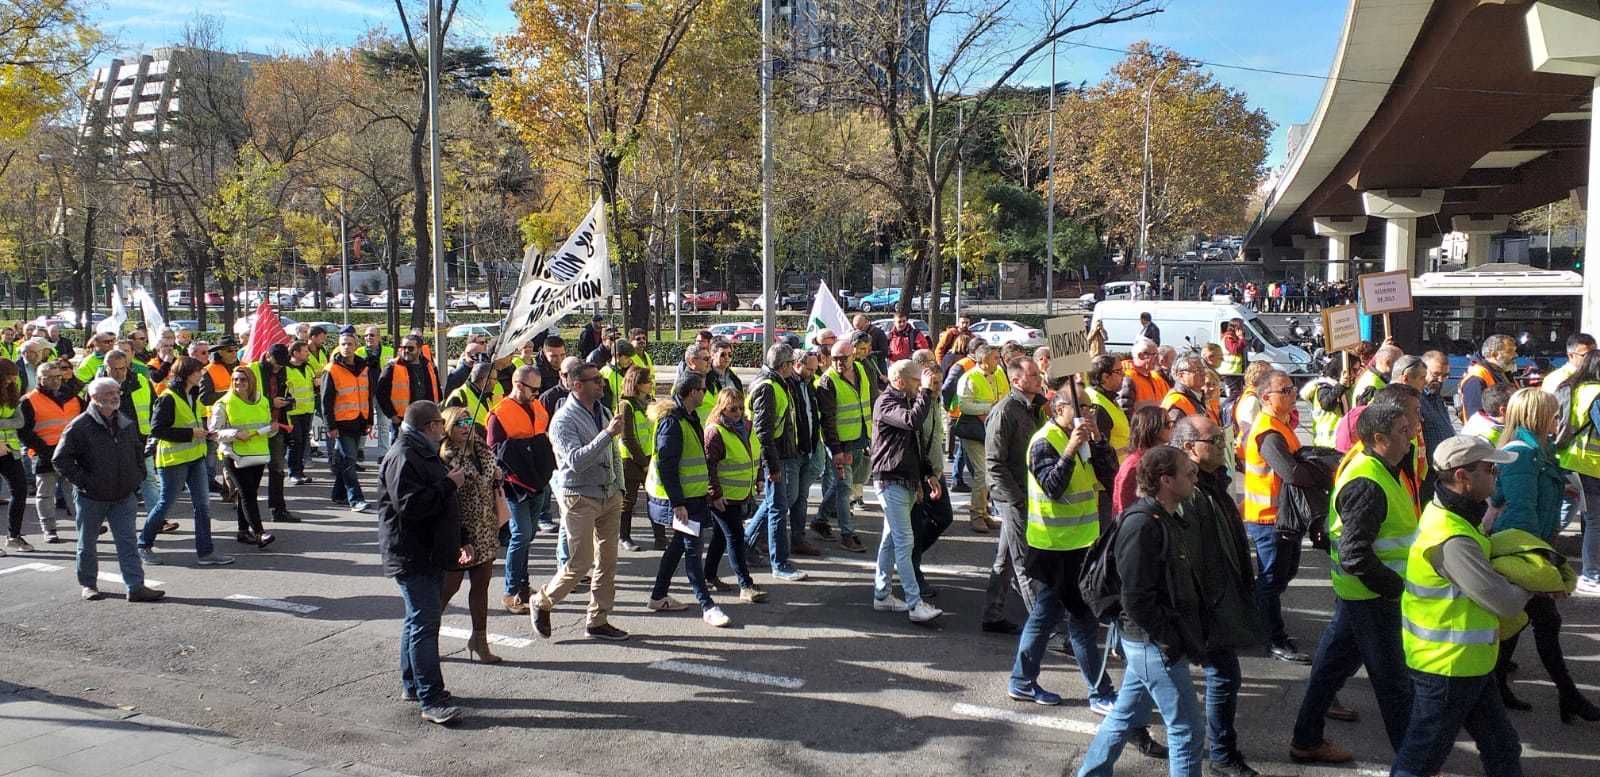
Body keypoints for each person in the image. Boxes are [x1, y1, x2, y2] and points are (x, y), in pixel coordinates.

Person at [1289, 385, 1422, 764]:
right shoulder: (1368, 480)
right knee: (1394, 683)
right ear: (1379, 437)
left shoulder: (1379, 464)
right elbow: (1355, 554)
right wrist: (1397, 588)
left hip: (1359, 595)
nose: (1412, 432)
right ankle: (1415, 764)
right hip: (1373, 596)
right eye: (1403, 428)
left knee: (1330, 670)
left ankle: (1307, 740)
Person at [1391, 434, 1528, 777]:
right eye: (1490, 469)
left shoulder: (1455, 515)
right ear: (1463, 477)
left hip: (1467, 665)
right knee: (1420, 761)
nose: (1496, 475)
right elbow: (1506, 602)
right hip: (1449, 669)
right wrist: (1536, 581)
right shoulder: (1453, 537)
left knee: (1502, 747)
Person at [1076, 447, 1205, 776]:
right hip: (1150, 643)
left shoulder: (1164, 516)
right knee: (1187, 730)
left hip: (1148, 643)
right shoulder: (1142, 526)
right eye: (1188, 473)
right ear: (1166, 480)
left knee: (1124, 715)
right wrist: (1168, 640)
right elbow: (1136, 599)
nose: (1195, 478)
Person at [1491, 388, 1600, 720]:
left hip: (1527, 548)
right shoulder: (1523, 453)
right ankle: (1569, 697)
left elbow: (1505, 498)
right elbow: (1521, 511)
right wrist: (1542, 563)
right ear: (1537, 417)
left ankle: (1498, 688)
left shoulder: (1538, 450)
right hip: (1524, 552)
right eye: (1554, 414)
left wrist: (1557, 488)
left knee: (1520, 621)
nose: (1559, 419)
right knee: (1543, 623)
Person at [1007, 387, 1117, 710]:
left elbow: (1109, 474)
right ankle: (1100, 692)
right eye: (1081, 406)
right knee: (1082, 621)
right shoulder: (1045, 441)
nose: (1088, 412)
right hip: (1054, 549)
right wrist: (1070, 449)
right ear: (1059, 409)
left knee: (1046, 615)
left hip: (1080, 544)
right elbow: (1053, 487)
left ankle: (1022, 680)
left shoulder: (1084, 437)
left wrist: (1097, 440)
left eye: (1090, 406)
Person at [1172, 415, 1264, 777]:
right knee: (1223, 675)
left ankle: (1128, 725)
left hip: (1220, 596)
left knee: (1146, 680)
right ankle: (1223, 756)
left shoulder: (1211, 483)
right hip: (1205, 604)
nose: (1222, 446)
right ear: (1188, 448)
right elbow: (1188, 557)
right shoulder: (1187, 492)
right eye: (1213, 440)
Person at [378, 400, 469, 725]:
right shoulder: (404, 455)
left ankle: (413, 685)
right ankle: (431, 698)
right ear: (429, 425)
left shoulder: (422, 451)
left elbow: (440, 502)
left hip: (427, 551)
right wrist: (449, 483)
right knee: (424, 625)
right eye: (438, 425)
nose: (442, 430)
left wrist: (462, 536)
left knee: (416, 621)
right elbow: (411, 505)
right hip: (412, 554)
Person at [529, 361, 630, 642]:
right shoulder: (562, 420)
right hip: (580, 497)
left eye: (600, 378)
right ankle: (542, 601)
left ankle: (598, 620)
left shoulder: (604, 410)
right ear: (577, 385)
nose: (601, 383)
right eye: (595, 380)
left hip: (609, 495)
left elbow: (613, 455)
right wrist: (607, 433)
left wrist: (619, 487)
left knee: (607, 563)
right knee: (580, 563)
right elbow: (575, 462)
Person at [1242, 369, 1325, 665]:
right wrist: (1322, 470)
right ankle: (1272, 638)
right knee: (1271, 578)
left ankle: (1255, 621)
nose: (1292, 394)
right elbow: (1291, 472)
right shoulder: (1268, 431)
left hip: (1282, 517)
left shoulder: (1280, 424)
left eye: (1292, 388)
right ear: (1266, 397)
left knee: (1281, 576)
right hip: (1269, 518)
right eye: (1285, 390)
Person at [57, 377, 163, 602]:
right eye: (109, 393)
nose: (115, 396)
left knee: (128, 542)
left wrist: (137, 476)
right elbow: (61, 460)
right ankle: (88, 585)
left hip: (123, 495)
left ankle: (135, 586)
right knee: (87, 544)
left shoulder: (125, 422)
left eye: (117, 392)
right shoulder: (79, 426)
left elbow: (137, 450)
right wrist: (85, 482)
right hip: (91, 496)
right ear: (94, 398)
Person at [644, 374, 733, 627]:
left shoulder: (687, 416)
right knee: (693, 549)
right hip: (680, 500)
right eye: (703, 390)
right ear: (692, 392)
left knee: (679, 547)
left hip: (690, 496)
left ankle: (658, 596)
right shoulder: (673, 422)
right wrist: (678, 503)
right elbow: (666, 465)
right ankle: (706, 605)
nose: (706, 394)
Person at [868, 358, 944, 623]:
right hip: (891, 480)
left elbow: (914, 445)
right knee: (904, 541)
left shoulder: (906, 401)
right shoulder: (887, 403)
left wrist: (927, 474)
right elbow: (912, 423)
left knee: (891, 540)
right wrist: (924, 391)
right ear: (899, 381)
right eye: (915, 381)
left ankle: (882, 595)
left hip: (905, 479)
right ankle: (915, 603)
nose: (919, 386)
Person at [137, 356, 231, 566]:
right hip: (173, 460)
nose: (202, 374)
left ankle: (206, 553)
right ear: (187, 373)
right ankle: (143, 544)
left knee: (203, 506)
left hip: (195, 457)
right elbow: (157, 429)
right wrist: (191, 433)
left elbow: (193, 423)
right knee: (165, 504)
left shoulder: (193, 394)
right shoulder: (168, 397)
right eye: (198, 371)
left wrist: (205, 433)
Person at [981, 357, 1048, 634]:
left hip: (1026, 492)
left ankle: (992, 614)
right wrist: (1016, 499)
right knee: (1024, 561)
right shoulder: (1005, 411)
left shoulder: (1035, 408)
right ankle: (1046, 629)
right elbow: (994, 463)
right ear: (1016, 379)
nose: (1038, 378)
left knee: (1007, 556)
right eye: (1033, 375)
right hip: (1013, 495)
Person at [437, 405, 503, 665]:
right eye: (458, 424)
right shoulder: (445, 456)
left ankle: (479, 640)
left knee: (482, 585)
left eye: (468, 422)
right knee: (448, 587)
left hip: (485, 527)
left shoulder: (482, 450)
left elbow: (489, 481)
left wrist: (498, 475)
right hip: (459, 529)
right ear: (447, 428)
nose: (465, 427)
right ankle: (425, 636)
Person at [488, 365, 554, 614]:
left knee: (527, 537)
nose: (537, 394)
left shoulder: (537, 406)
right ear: (518, 384)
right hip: (514, 485)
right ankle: (511, 591)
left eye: (539, 389)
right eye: (533, 389)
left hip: (538, 482)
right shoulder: (499, 413)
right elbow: (495, 453)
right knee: (521, 535)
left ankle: (523, 585)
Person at [745, 344, 807, 581]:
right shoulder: (769, 387)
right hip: (775, 457)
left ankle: (746, 544)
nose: (794, 366)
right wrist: (772, 466)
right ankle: (779, 564)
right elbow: (763, 432)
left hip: (779, 455)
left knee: (774, 505)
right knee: (778, 509)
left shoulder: (776, 383)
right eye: (792, 363)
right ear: (784, 366)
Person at [701, 387, 767, 603]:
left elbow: (753, 453)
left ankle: (709, 575)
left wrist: (757, 477)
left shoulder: (746, 427)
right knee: (736, 537)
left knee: (721, 538)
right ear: (722, 408)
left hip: (740, 494)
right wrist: (715, 494)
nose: (737, 412)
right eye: (732, 409)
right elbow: (709, 467)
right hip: (723, 497)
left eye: (740, 408)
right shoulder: (715, 432)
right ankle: (745, 584)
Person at [814, 339, 872, 552]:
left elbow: (869, 399)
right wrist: (837, 451)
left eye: (843, 358)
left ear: (853, 356)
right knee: (845, 487)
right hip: (839, 444)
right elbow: (827, 421)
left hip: (858, 438)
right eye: (835, 358)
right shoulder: (828, 381)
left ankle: (820, 520)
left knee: (841, 485)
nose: (838, 362)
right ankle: (847, 534)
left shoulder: (860, 368)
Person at [211, 366, 278, 548]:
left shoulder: (262, 401)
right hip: (233, 454)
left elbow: (265, 426)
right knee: (248, 493)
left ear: (251, 382)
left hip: (257, 454)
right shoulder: (223, 403)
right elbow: (214, 432)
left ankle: (242, 531)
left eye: (243, 380)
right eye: (235, 380)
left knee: (247, 493)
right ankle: (259, 532)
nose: (239, 383)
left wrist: (272, 429)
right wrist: (235, 433)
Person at [908, 349, 954, 597]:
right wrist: (921, 477)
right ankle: (913, 573)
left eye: (939, 382)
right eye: (933, 383)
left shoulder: (937, 402)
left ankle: (907, 558)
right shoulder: (919, 404)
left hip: (935, 473)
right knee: (914, 527)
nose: (937, 387)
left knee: (944, 517)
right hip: (920, 475)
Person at [19, 362, 82, 543]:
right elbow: (24, 432)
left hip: (70, 453)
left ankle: (84, 522)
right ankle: (49, 530)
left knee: (75, 490)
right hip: (44, 454)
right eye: (50, 377)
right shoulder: (29, 400)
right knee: (45, 493)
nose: (55, 381)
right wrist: (43, 450)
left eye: (58, 377)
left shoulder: (73, 398)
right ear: (40, 379)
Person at [957, 343, 1007, 533]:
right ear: (984, 360)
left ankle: (984, 513)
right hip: (975, 431)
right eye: (995, 357)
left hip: (993, 429)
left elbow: (1006, 395)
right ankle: (977, 515)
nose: (998, 360)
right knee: (981, 473)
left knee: (989, 473)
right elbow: (964, 406)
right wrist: (990, 408)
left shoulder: (1000, 373)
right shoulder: (969, 377)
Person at [321, 332, 372, 512]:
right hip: (342, 423)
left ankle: (338, 494)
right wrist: (330, 426)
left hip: (358, 421)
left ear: (356, 345)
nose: (346, 347)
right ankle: (355, 499)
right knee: (350, 460)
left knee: (345, 460)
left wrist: (369, 419)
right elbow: (326, 401)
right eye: (343, 344)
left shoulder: (363, 366)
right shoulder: (332, 369)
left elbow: (367, 394)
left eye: (350, 344)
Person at [615, 366, 660, 552]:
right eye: (648, 381)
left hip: (651, 457)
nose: (651, 384)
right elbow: (627, 437)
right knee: (629, 501)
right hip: (631, 461)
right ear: (638, 384)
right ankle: (624, 536)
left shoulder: (651, 402)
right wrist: (643, 462)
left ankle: (660, 536)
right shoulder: (626, 405)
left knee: (655, 498)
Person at [377, 335, 442, 436]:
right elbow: (381, 393)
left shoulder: (429, 366)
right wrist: (393, 416)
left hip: (427, 420)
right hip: (402, 421)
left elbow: (437, 390)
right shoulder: (392, 367)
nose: (406, 351)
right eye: (403, 347)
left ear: (419, 349)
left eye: (410, 348)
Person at [1111, 406, 1171, 515]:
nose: (1172, 428)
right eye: (1167, 424)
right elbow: (1125, 505)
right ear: (1152, 428)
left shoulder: (1155, 458)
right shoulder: (1134, 465)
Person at [0, 360, 31, 553]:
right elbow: (13, 421)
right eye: (9, 376)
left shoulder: (13, 391)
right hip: (4, 448)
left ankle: (14, 536)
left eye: (14, 376)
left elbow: (20, 421)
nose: (12, 380)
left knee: (20, 491)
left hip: (10, 450)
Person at [283, 341, 318, 485]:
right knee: (295, 442)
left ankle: (300, 471)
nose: (308, 353)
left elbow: (313, 387)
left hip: (308, 410)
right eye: (305, 351)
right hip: (293, 412)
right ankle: (293, 472)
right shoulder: (285, 370)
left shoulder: (308, 367)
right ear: (295, 353)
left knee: (303, 442)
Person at [1460, 334, 1518, 421]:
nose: (1515, 355)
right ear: (1494, 354)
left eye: (1515, 351)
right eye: (1510, 351)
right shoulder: (1477, 377)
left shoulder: (1503, 372)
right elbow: (1475, 417)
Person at [357, 326, 396, 450]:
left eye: (372, 335)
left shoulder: (389, 351)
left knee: (383, 424)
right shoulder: (359, 352)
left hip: (383, 393)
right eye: (366, 335)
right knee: (363, 424)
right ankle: (359, 451)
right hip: (365, 393)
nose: (369, 338)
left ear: (379, 337)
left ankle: (383, 453)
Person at [1301, 359, 1352, 449]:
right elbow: (1327, 405)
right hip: (1327, 444)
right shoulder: (1324, 387)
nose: (1356, 374)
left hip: (1336, 441)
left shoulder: (1341, 387)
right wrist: (1340, 385)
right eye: (1354, 370)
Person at [1160, 355, 1213, 426]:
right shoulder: (1176, 402)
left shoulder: (1195, 396)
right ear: (1181, 375)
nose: (1203, 373)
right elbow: (1173, 435)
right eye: (1197, 370)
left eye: (1203, 369)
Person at [1119, 339, 1170, 412]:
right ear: (1141, 356)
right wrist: (1158, 404)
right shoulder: (1126, 378)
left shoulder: (1155, 378)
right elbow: (1125, 408)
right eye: (1154, 355)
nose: (1157, 360)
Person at [1220, 319, 1247, 398]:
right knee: (1234, 393)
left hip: (1235, 371)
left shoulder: (1234, 337)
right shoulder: (1229, 337)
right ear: (1236, 328)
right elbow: (1235, 350)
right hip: (1230, 371)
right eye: (1241, 327)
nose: (1243, 329)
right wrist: (1241, 338)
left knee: (1237, 393)